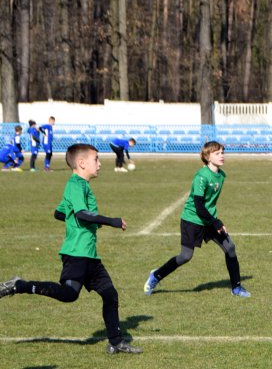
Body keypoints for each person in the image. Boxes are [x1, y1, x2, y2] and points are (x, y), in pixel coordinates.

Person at [0, 143, 142, 355]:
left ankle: (116, 342)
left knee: (110, 294)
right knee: (68, 294)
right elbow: (82, 214)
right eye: (96, 159)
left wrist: (80, 219)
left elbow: (59, 213)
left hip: (89, 254)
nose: (100, 163)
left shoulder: (80, 186)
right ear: (82, 163)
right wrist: (111, 221)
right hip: (77, 253)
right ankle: (19, 285)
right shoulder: (76, 185)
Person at [144, 141, 251, 298]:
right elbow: (199, 205)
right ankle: (156, 276)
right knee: (185, 256)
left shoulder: (221, 175)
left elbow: (209, 204)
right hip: (192, 219)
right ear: (208, 157)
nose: (222, 156)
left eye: (222, 152)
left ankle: (236, 287)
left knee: (230, 247)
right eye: (217, 153)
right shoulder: (201, 177)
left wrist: (213, 220)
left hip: (209, 219)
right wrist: (216, 222)